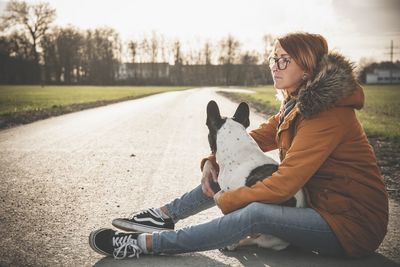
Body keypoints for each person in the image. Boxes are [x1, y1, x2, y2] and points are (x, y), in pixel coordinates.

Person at [89, 32, 388, 260]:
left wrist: (225, 199)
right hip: (316, 206)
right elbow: (245, 143)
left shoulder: (327, 113)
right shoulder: (295, 106)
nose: (275, 66)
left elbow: (284, 186)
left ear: (307, 69)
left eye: (284, 60)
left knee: (254, 212)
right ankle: (165, 215)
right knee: (236, 168)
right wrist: (212, 160)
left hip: (349, 225)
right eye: (273, 58)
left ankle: (146, 245)